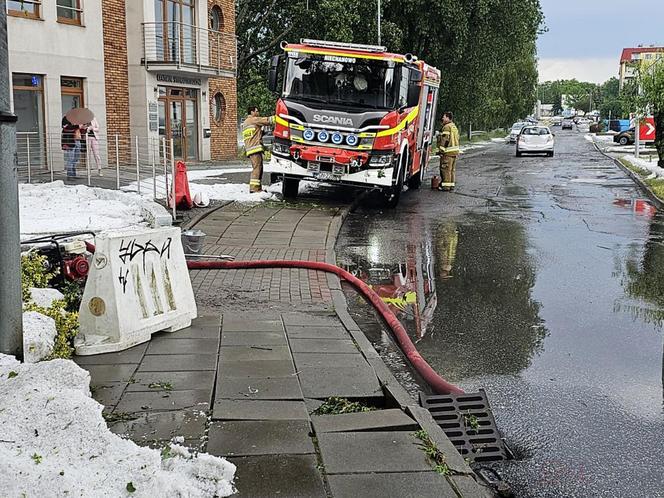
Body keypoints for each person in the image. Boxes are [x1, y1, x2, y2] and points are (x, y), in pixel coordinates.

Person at [241, 106, 275, 193]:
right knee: (257, 168)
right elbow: (268, 120)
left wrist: (262, 132)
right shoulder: (253, 119)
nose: (258, 112)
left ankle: (257, 188)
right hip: (255, 148)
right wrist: (279, 117)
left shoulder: (246, 122)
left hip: (250, 148)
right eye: (256, 111)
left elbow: (254, 134)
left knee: (259, 167)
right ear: (252, 112)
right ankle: (254, 189)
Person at [437, 111, 460, 191]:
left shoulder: (447, 127)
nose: (442, 118)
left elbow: (445, 140)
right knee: (451, 170)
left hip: (448, 153)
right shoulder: (453, 126)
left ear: (447, 117)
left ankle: (446, 187)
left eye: (444, 117)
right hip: (454, 152)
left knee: (445, 170)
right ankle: (451, 185)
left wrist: (441, 151)